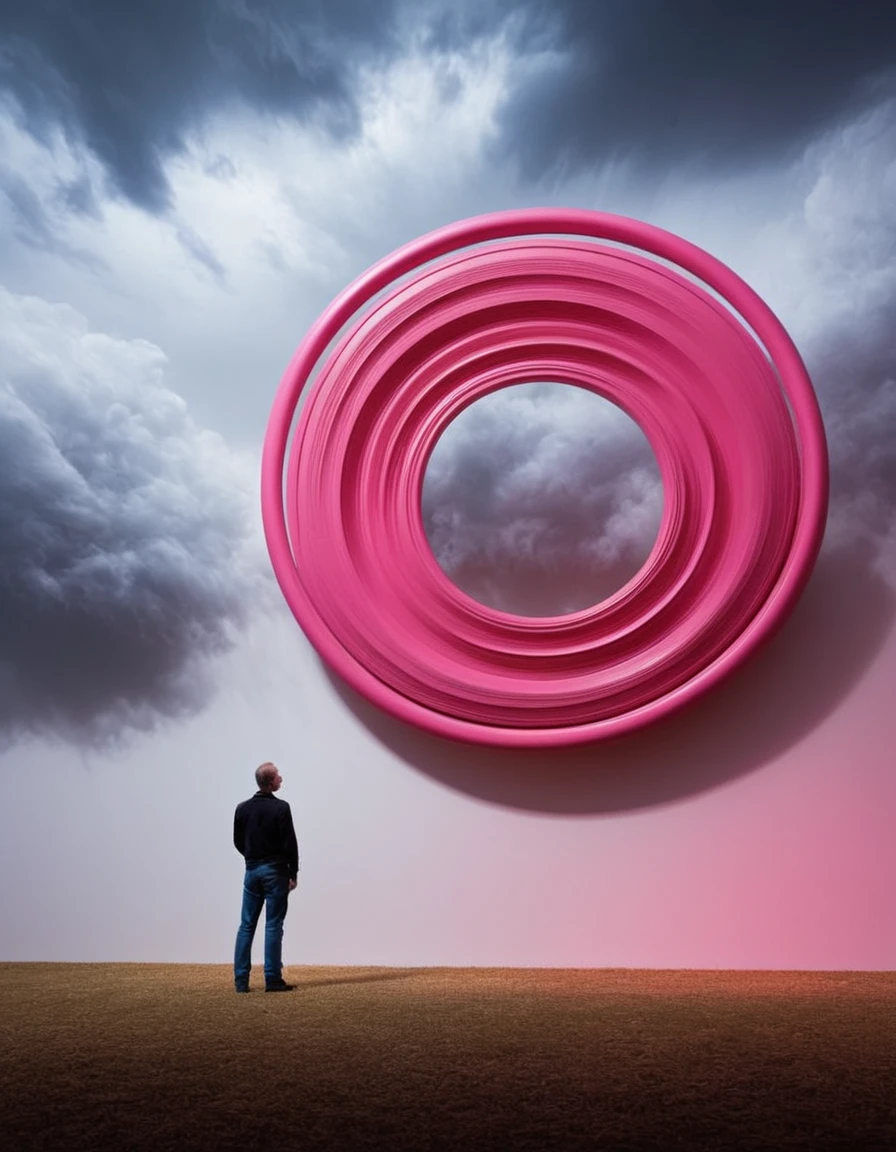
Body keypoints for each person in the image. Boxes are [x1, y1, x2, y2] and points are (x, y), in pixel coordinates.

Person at [233, 761, 299, 993]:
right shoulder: (281, 808)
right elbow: (290, 843)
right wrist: (293, 872)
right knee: (273, 925)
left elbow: (238, 842)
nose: (281, 778)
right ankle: (272, 979)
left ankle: (241, 981)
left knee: (246, 925)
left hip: (252, 871)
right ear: (270, 782)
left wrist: (252, 858)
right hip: (275, 871)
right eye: (278, 776)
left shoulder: (242, 808)